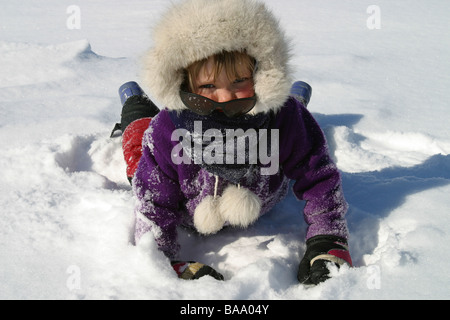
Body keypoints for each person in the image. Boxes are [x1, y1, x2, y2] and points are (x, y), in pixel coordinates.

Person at [114, 0, 352, 285]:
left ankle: (296, 94)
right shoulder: (167, 128)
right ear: (183, 84)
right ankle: (134, 102)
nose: (226, 97)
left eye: (240, 81)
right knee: (139, 148)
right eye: (209, 86)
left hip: (264, 193)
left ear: (261, 74)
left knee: (290, 110)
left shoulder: (283, 116)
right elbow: (153, 201)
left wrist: (327, 239)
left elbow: (318, 176)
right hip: (189, 205)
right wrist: (161, 258)